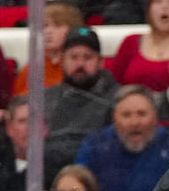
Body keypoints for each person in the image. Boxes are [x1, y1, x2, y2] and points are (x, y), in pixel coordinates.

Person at [76, 85, 169, 191]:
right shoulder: (94, 146)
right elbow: (77, 190)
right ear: (114, 119)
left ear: (155, 117)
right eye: (126, 115)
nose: (134, 123)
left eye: (142, 114)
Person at [43, 26, 118, 163]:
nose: (80, 64)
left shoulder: (118, 99)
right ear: (62, 61)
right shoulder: (45, 98)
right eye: (73, 57)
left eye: (87, 57)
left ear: (100, 62)